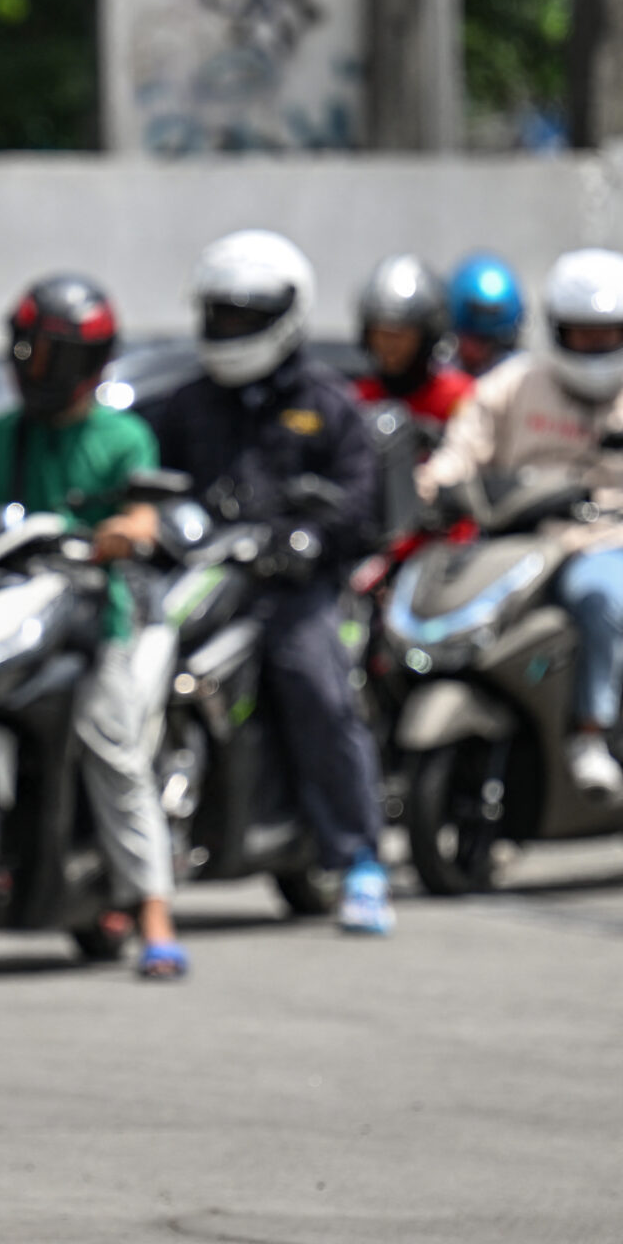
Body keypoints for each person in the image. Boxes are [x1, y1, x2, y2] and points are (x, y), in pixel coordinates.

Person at [0, 276, 187, 978]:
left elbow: (144, 513)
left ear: (91, 364)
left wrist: (129, 530)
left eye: (52, 355)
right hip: (0, 616)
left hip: (90, 624)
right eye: (28, 350)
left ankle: (154, 914)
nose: (35, 368)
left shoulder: (122, 436)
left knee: (111, 746)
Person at [154, 231, 394, 937]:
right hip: (199, 583)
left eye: (243, 316)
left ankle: (359, 862)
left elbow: (361, 499)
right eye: (218, 313)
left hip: (294, 590)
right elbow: (146, 479)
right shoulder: (185, 405)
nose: (227, 328)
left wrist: (311, 536)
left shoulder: (328, 404)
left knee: (314, 682)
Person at [417, 248, 623, 796]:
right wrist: (434, 486)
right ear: (556, 330)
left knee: (600, 600)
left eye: (606, 335)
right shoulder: (512, 386)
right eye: (581, 334)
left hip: (606, 546)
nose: (594, 346)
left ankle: (590, 733)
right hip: (516, 544)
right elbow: (462, 451)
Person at [354, 254, 474, 428]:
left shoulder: (460, 399)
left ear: (427, 336)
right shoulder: (357, 400)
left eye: (400, 335)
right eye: (381, 333)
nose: (389, 345)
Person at [446, 250, 526, 379]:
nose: (476, 352)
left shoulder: (518, 375)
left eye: (488, 342)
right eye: (472, 338)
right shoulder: (442, 375)